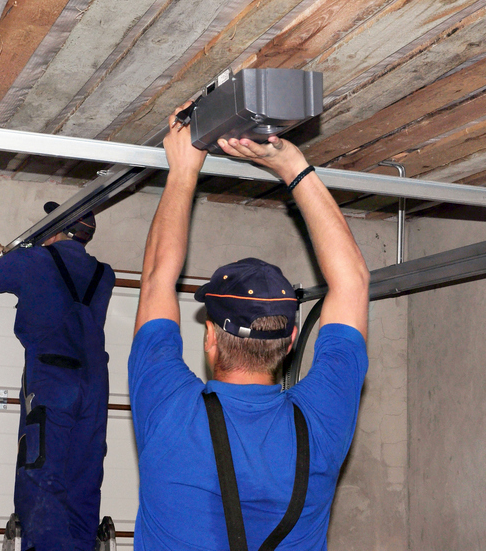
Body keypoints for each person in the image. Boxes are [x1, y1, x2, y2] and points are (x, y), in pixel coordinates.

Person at [128, 109, 371, 549]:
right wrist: (294, 167)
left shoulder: (169, 410)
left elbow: (156, 280)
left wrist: (183, 170)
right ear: (292, 340)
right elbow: (352, 281)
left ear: (209, 339)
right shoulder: (320, 421)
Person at [0, 204, 116, 551]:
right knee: (84, 474)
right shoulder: (105, 275)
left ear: (55, 230)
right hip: (94, 384)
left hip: (52, 379)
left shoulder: (33, 261)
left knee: (42, 471)